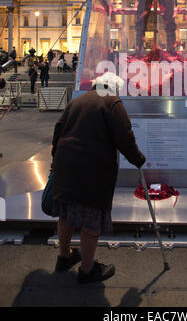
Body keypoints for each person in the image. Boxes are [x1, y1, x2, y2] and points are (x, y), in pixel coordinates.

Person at [51, 72, 146, 283]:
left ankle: (64, 257)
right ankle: (87, 270)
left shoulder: (77, 100)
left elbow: (57, 131)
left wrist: (56, 159)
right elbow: (125, 136)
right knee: (90, 219)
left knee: (66, 214)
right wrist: (138, 159)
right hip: (91, 171)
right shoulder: (111, 102)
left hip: (65, 165)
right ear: (114, 88)